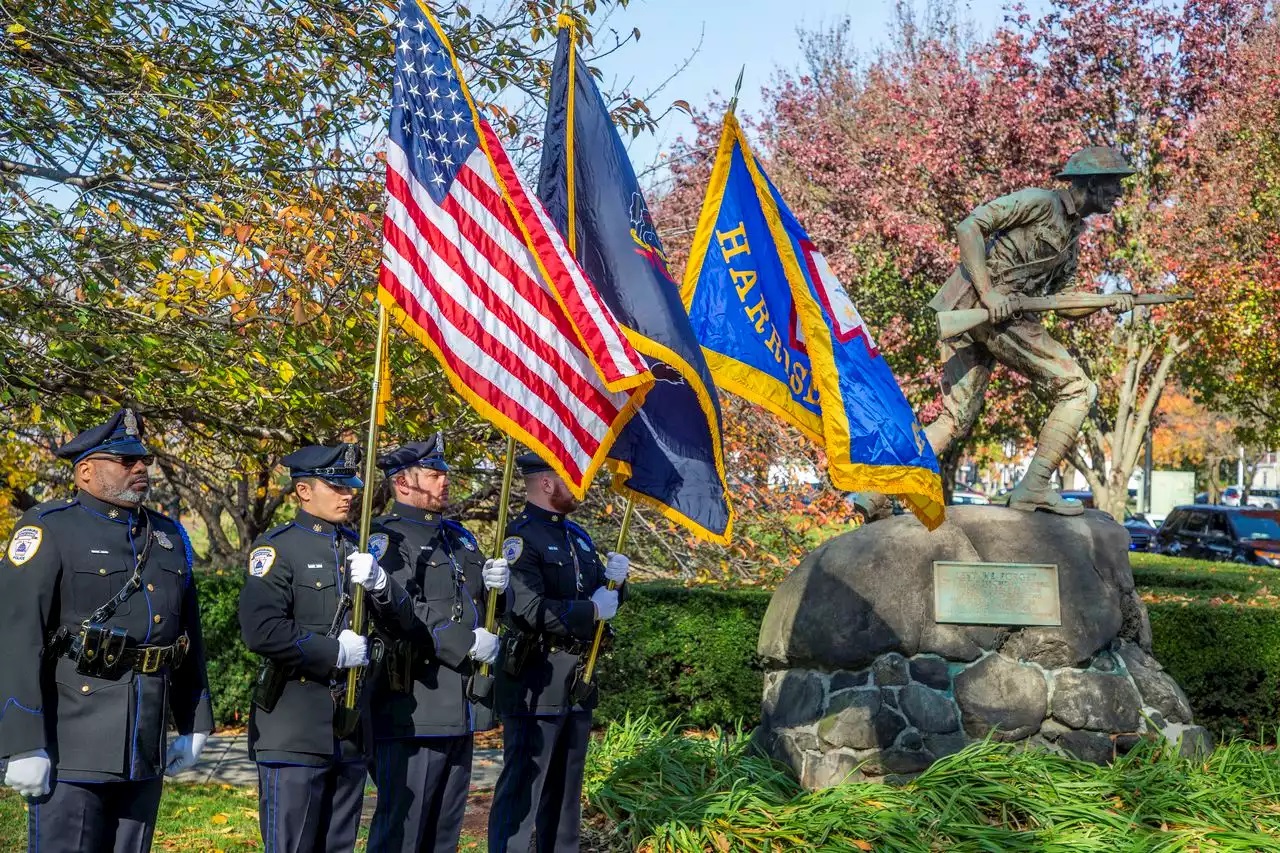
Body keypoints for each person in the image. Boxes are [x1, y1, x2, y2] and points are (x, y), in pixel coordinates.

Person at [0, 408, 212, 852]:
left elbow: (186, 638)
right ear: (85, 472)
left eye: (144, 461)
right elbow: (17, 638)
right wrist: (22, 744)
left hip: (145, 742)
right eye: (125, 460)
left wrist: (195, 722)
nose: (141, 468)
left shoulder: (168, 535)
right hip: (73, 743)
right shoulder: (50, 529)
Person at [924, 146, 1137, 515]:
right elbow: (969, 226)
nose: (1119, 193)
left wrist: (1107, 301)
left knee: (952, 421)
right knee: (1077, 388)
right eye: (1114, 183)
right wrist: (989, 293)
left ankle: (877, 491)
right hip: (983, 310)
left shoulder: (1072, 236)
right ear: (1090, 182)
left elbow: (1066, 301)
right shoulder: (1040, 203)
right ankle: (1034, 487)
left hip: (995, 315)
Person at [238, 442, 413, 853]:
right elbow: (262, 630)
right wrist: (333, 652)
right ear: (303, 491)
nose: (348, 494)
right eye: (335, 487)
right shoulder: (278, 549)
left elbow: (404, 623)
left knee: (339, 845)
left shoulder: (359, 547)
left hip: (349, 729)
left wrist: (382, 586)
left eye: (350, 486)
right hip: (295, 728)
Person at [366, 433, 511, 852]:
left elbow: (487, 606)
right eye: (433, 474)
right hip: (414, 701)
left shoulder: (458, 537)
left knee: (444, 831)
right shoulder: (385, 540)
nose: (444, 481)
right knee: (403, 831)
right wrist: (465, 642)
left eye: (444, 473)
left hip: (461, 704)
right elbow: (401, 607)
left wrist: (501, 590)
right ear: (402, 483)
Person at [487, 452, 631, 853]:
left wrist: (618, 584)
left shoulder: (578, 537)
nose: (582, 487)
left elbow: (602, 597)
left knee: (567, 794)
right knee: (522, 792)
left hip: (576, 681)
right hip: (535, 678)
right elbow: (528, 610)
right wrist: (591, 609)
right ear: (546, 483)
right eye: (572, 477)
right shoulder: (520, 538)